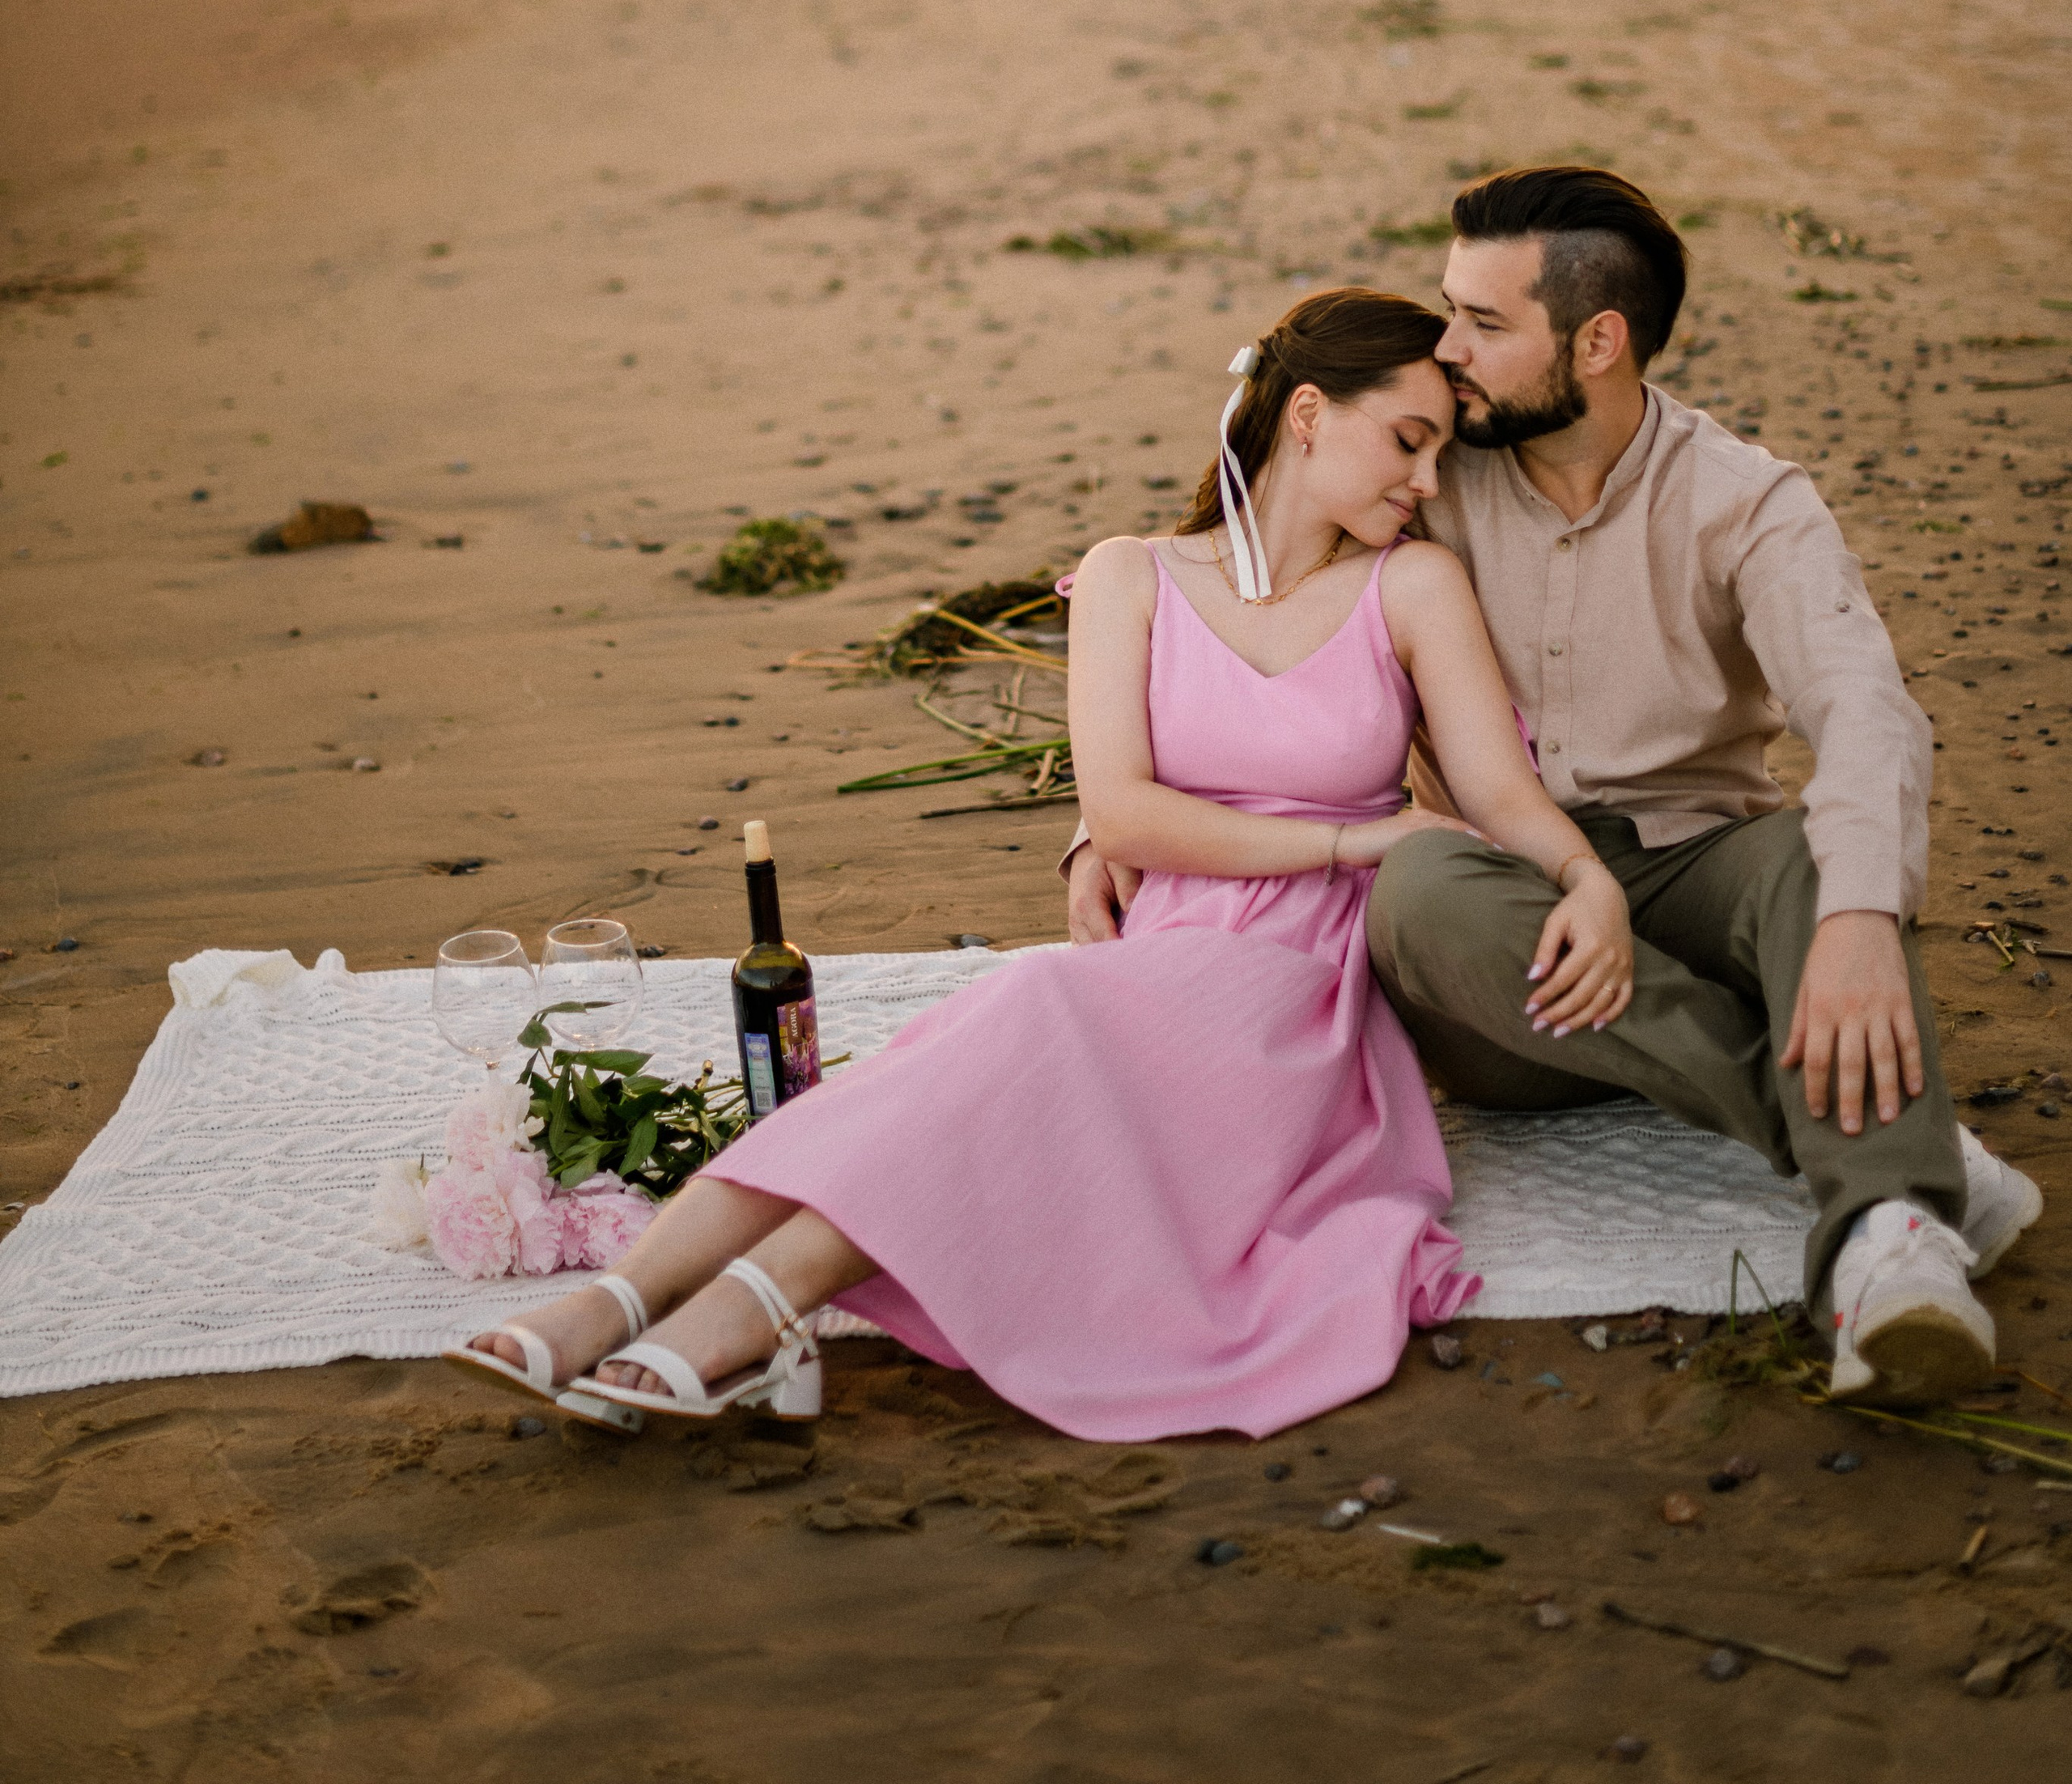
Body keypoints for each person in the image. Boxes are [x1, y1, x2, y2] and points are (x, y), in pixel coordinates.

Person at [452, 291, 1634, 1440]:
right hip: (1165, 943)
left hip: (1302, 987)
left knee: (1027, 1009)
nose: (1427, 484)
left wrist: (1589, 881)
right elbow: (1120, 816)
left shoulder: (1409, 585)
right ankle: (609, 1304)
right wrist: (1348, 836)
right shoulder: (1133, 575)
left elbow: (1499, 795)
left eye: (1440, 458)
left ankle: (745, 1314)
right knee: (950, 1067)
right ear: (1312, 414)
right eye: (1410, 443)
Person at [1070, 168, 2044, 1405]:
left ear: (1597, 342)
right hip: (1496, 941)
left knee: (1817, 860)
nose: (1446, 351)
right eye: (1447, 309)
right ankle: (1913, 1159)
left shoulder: (1745, 502)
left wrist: (1858, 914)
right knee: (1419, 883)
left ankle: (1891, 1250)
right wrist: (1107, 825)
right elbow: (1235, 601)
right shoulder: (1425, 471)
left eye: (1483, 325)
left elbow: (1866, 713)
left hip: (1696, 868)